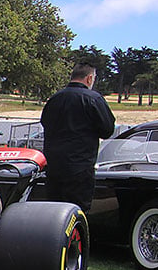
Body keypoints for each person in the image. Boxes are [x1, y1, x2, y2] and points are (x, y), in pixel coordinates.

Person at [40, 63, 115, 211]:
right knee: (76, 212)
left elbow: (45, 123)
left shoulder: (55, 99)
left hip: (54, 166)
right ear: (89, 78)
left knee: (53, 211)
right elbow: (107, 130)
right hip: (80, 168)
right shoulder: (93, 99)